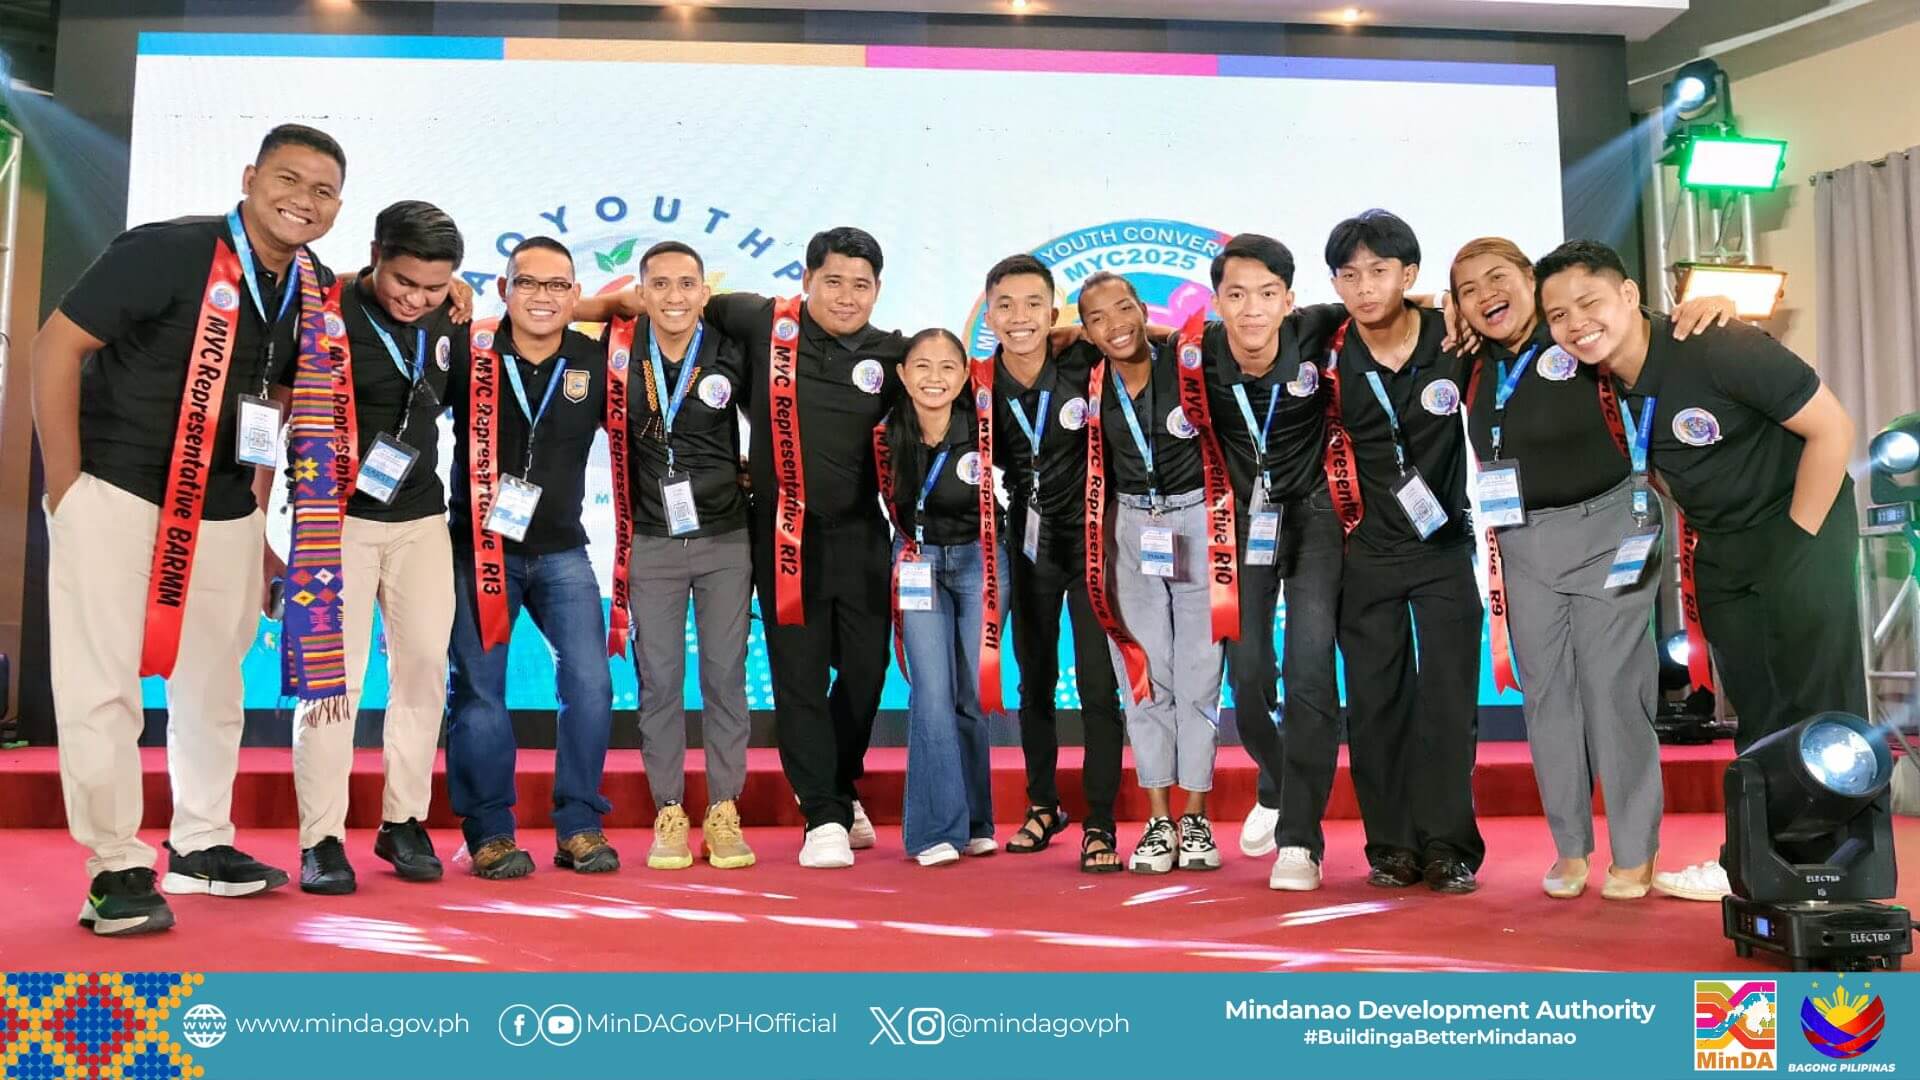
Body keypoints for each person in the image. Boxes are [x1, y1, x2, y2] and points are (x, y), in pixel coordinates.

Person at [31, 124, 344, 934]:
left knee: (213, 685)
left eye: (322, 191)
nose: (302, 200)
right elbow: (56, 348)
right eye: (288, 179)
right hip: (118, 494)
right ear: (249, 177)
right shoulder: (169, 249)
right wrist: (65, 488)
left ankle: (201, 842)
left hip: (228, 514)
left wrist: (262, 518)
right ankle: (115, 867)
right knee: (101, 685)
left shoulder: (308, 283)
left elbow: (271, 405)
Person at [1535, 239, 1865, 903]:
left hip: (1799, 532)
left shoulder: (1717, 341)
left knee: (1819, 703)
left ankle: (1839, 869)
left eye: (1589, 302)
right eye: (1558, 314)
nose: (1575, 323)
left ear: (1629, 295)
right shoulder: (1603, 385)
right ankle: (1758, 860)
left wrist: (1796, 542)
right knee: (1759, 709)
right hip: (1722, 549)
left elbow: (1834, 429)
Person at [583, 227, 909, 869]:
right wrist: (579, 305)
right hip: (776, 535)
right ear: (808, 279)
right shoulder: (760, 322)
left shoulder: (892, 354)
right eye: (833, 281)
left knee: (867, 675)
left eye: (861, 285)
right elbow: (651, 304)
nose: (845, 297)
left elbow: (955, 367)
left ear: (877, 291)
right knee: (793, 679)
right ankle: (818, 812)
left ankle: (840, 786)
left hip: (854, 537)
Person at [1454, 237, 1734, 900]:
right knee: (1547, 694)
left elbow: (1656, 335)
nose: (1485, 294)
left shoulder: (1581, 340)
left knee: (1614, 688)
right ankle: (1571, 846)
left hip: (1613, 526)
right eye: (1466, 289)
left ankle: (1634, 852)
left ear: (1531, 281)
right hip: (1524, 540)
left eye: (1499, 277)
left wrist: (1714, 306)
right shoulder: (1467, 361)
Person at [285, 200, 463, 895]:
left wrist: (452, 298)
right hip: (337, 523)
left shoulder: (448, 316)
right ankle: (322, 839)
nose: (418, 299)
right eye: (405, 282)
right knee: (333, 686)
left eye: (435, 286)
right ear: (374, 256)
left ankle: (403, 822)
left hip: (421, 520)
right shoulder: (325, 311)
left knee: (422, 672)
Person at [444, 237, 618, 879]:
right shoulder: (471, 352)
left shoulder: (597, 362)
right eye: (529, 283)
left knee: (592, 686)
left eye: (558, 286)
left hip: (563, 552)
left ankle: (579, 824)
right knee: (479, 692)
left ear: (576, 296)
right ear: (504, 289)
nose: (543, 297)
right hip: (479, 551)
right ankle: (489, 831)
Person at [1322, 209, 1484, 894]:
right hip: (1365, 554)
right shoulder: (1322, 345)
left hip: (1445, 548)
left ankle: (1449, 846)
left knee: (1448, 702)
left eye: (1379, 271)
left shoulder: (1457, 339)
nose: (1364, 287)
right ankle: (1390, 844)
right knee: (1375, 703)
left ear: (1410, 274)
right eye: (1349, 274)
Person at [1190, 234, 1349, 890]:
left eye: (1266, 294)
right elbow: (1115, 337)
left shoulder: (1318, 327)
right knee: (1248, 673)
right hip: (1243, 521)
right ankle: (1279, 781)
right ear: (1217, 301)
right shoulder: (1194, 352)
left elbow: (1402, 305)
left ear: (1289, 298)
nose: (1251, 309)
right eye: (1235, 295)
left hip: (1314, 517)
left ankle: (1300, 841)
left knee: (1311, 672)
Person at [1078, 271, 1232, 874]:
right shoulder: (1087, 380)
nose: (1115, 323)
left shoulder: (1189, 360)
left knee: (1200, 672)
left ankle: (1196, 817)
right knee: (1144, 675)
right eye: (1098, 317)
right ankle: (1158, 820)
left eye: (1125, 308)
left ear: (1145, 311)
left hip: (1199, 519)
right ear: (1085, 331)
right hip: (1130, 529)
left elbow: (1253, 328)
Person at [980, 255, 1126, 873]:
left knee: (1098, 687)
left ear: (1053, 310)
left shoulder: (1085, 360)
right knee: (1033, 684)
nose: (1020, 318)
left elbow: (1151, 341)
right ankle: (1043, 805)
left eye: (1033, 304)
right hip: (1029, 547)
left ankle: (1100, 821)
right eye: (1006, 305)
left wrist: (1087, 333)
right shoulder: (976, 380)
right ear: (988, 312)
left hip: (1095, 544)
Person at [620, 241, 757, 871]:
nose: (674, 297)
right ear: (641, 292)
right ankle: (669, 810)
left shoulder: (733, 350)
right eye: (661, 285)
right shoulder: (619, 353)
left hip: (727, 541)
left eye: (687, 284)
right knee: (660, 682)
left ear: (705, 291)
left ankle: (724, 809)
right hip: (652, 539)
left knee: (726, 677)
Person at [876, 329, 1004, 867]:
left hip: (980, 560)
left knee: (970, 695)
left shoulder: (985, 429)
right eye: (922, 366)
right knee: (931, 693)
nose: (935, 378)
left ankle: (976, 821)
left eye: (948, 367)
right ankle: (933, 830)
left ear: (965, 376)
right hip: (916, 562)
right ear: (903, 375)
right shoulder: (885, 434)